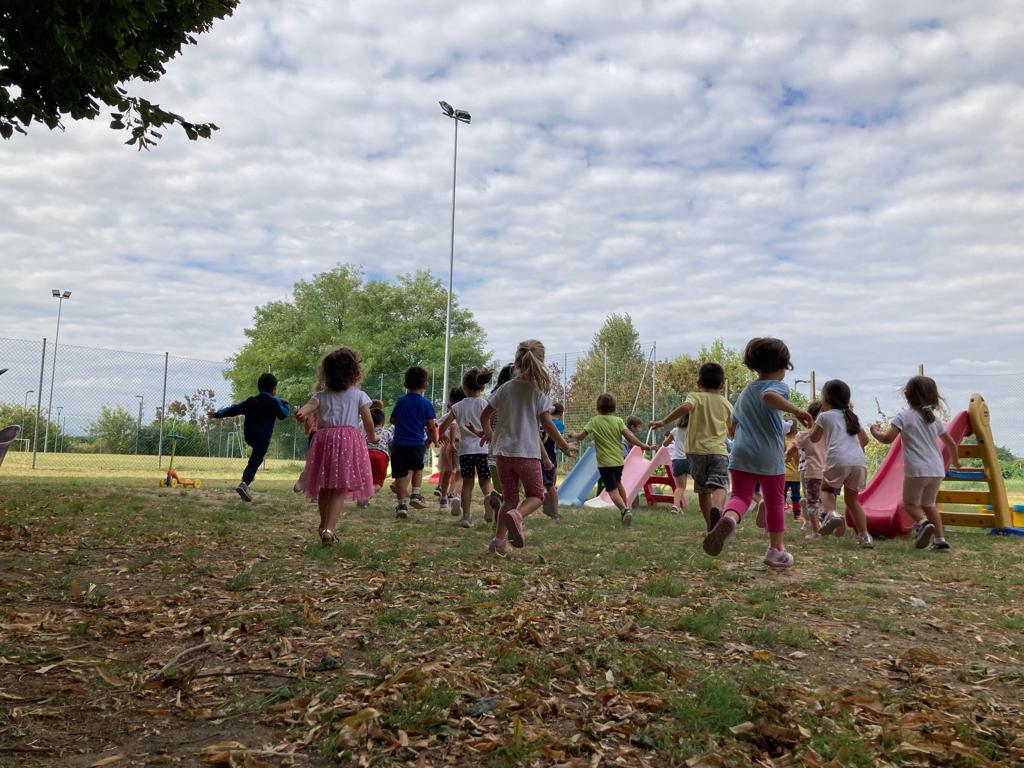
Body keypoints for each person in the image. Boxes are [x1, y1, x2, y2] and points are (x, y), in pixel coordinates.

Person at [702, 338, 813, 569]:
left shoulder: (744, 394)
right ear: (783, 366)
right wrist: (796, 410)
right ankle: (776, 550)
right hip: (768, 455)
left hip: (741, 453)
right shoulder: (777, 387)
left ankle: (729, 519)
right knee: (774, 501)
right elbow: (768, 397)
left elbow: (731, 426)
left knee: (740, 496)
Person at [478, 340, 576, 555]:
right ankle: (518, 517)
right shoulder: (537, 393)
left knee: (510, 499)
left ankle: (498, 542)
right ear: (540, 361)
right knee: (536, 496)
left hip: (503, 453)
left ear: (518, 361)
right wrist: (564, 444)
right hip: (527, 454)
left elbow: (485, 415)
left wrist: (488, 432)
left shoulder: (505, 388)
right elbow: (548, 425)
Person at [293, 347, 376, 545]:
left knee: (325, 487)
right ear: (354, 373)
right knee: (339, 488)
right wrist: (372, 437)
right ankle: (329, 529)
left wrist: (300, 414)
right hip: (348, 441)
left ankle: (323, 526)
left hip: (324, 441)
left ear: (326, 373)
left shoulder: (321, 396)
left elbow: (306, 409)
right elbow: (368, 421)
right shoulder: (359, 395)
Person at [870, 376, 960, 551]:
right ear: (933, 397)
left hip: (917, 470)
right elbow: (950, 443)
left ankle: (923, 523)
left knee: (909, 504)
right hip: (936, 469)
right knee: (929, 504)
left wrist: (875, 432)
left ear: (907, 395)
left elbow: (887, 439)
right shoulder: (933, 420)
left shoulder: (903, 416)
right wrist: (955, 461)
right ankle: (940, 541)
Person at [651, 362, 733, 531]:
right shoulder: (726, 404)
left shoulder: (695, 397)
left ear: (698, 384)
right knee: (720, 486)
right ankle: (717, 510)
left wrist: (663, 421)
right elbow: (732, 431)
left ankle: (711, 526)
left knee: (703, 491)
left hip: (695, 453)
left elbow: (686, 407)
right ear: (722, 384)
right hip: (718, 452)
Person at [569, 394, 656, 526]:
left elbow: (580, 436)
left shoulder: (594, 421)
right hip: (619, 460)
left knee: (612, 491)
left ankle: (624, 510)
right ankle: (627, 507)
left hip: (605, 463)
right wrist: (645, 446)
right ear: (614, 407)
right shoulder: (618, 421)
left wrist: (572, 434)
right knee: (619, 483)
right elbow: (630, 437)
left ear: (598, 407)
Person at [209, 372, 290, 502]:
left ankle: (247, 480)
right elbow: (283, 415)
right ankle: (244, 483)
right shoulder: (274, 402)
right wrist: (285, 404)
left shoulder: (251, 401)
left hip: (250, 436)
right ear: (274, 389)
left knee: (256, 459)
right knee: (255, 460)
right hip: (263, 438)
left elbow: (234, 409)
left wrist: (217, 414)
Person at [810, 379, 872, 547]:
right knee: (853, 501)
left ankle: (831, 513)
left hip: (838, 459)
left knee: (825, 489)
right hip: (859, 462)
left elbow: (813, 438)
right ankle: (864, 536)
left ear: (827, 398)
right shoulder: (852, 416)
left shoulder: (824, 416)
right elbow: (865, 441)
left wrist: (815, 422)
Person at [438, 370, 494, 528]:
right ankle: (488, 498)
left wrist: (441, 436)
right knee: (485, 482)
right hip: (483, 450)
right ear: (482, 387)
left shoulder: (457, 406)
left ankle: (466, 517)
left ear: (464, 387)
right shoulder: (486, 404)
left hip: (466, 451)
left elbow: (444, 426)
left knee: (467, 483)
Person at [389, 366, 439, 519]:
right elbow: (431, 425)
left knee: (400, 475)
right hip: (416, 443)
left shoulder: (401, 401)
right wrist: (435, 440)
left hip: (398, 444)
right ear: (425, 384)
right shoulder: (425, 403)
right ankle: (416, 494)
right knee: (417, 468)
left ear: (405, 384)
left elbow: (392, 419)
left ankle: (402, 505)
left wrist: (405, 422)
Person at [788, 401, 833, 537]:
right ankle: (830, 518)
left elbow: (792, 449)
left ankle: (816, 531)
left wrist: (784, 457)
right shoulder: (829, 433)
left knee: (812, 501)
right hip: (829, 472)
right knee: (826, 499)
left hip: (812, 472)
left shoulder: (805, 434)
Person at [436, 387, 464, 515]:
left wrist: (441, 435)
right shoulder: (464, 413)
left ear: (451, 401)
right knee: (459, 473)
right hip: (460, 445)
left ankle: (443, 498)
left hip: (447, 446)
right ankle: (456, 495)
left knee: (447, 472)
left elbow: (437, 426)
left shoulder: (448, 415)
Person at [359, 401, 392, 508]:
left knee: (365, 479)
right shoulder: (386, 432)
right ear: (383, 422)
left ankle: (363, 497)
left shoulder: (367, 432)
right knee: (377, 483)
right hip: (380, 456)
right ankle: (366, 496)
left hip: (366, 455)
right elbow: (393, 443)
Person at [541, 402, 566, 519]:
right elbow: (559, 440)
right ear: (561, 413)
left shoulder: (542, 422)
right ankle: (555, 512)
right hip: (550, 457)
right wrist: (567, 450)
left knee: (541, 483)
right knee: (551, 484)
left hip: (537, 456)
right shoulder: (558, 424)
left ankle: (546, 498)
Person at [662, 412, 690, 514]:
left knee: (680, 487)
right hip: (690, 459)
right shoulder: (693, 431)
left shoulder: (675, 431)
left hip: (677, 460)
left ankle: (675, 506)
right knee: (701, 484)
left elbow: (665, 444)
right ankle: (704, 507)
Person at [783, 420, 803, 521]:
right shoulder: (798, 440)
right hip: (795, 475)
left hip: (783, 473)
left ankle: (780, 513)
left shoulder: (782, 439)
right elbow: (800, 457)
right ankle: (797, 515)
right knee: (796, 496)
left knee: (781, 495)